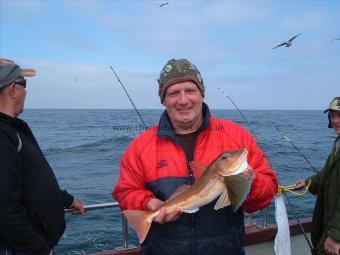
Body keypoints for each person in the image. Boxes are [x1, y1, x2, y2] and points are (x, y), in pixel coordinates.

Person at [112, 58, 278, 255]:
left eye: (190, 91)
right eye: (173, 93)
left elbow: (265, 196)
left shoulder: (237, 136)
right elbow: (125, 192)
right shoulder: (140, 145)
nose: (183, 100)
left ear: (201, 94)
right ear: (163, 100)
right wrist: (149, 203)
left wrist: (251, 183)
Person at [0, 58, 85, 255]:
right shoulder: (4, 135)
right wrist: (38, 250)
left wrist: (68, 200)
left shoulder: (13, 130)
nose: (26, 92)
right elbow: (4, 206)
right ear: (13, 89)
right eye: (24, 84)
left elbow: (32, 181)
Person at [295, 97, 340, 255]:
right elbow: (327, 174)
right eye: (333, 116)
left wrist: (336, 235)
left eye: (339, 115)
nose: (336, 121)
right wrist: (308, 183)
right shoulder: (338, 144)